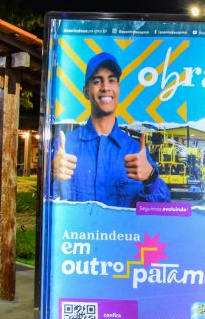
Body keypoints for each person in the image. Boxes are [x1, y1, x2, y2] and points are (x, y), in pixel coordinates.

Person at [51, 52, 170, 207]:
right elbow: (50, 209)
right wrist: (51, 176)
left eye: (111, 80)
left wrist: (151, 178)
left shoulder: (136, 150)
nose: (105, 87)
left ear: (118, 89)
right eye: (97, 81)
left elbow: (161, 210)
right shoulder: (65, 147)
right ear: (85, 91)